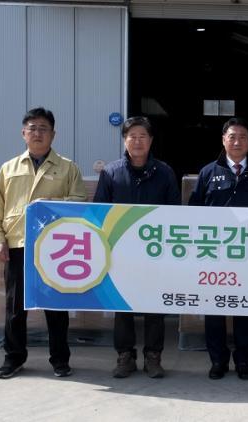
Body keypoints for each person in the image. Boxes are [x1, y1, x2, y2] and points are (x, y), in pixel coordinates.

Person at [0, 107, 87, 379]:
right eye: (32, 128)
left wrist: (50, 204)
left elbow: (80, 202)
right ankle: (13, 358)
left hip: (55, 247)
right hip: (17, 245)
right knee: (15, 307)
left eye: (43, 128)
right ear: (23, 133)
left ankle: (60, 360)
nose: (37, 133)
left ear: (53, 134)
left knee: (55, 306)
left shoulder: (68, 168)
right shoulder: (8, 169)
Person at [188, 117, 248, 380]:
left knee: (245, 308)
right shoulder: (208, 172)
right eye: (232, 137)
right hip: (213, 256)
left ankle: (243, 361)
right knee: (214, 309)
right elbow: (193, 212)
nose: (237, 142)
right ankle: (218, 361)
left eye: (242, 137)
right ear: (223, 140)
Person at [93, 116, 181, 379]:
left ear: (151, 140)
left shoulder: (164, 172)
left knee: (155, 305)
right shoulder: (111, 172)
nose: (138, 141)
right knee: (122, 305)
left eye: (143, 136)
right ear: (124, 140)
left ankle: (153, 357)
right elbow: (99, 211)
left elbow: (175, 212)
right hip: (120, 253)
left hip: (155, 252)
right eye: (132, 136)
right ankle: (125, 357)